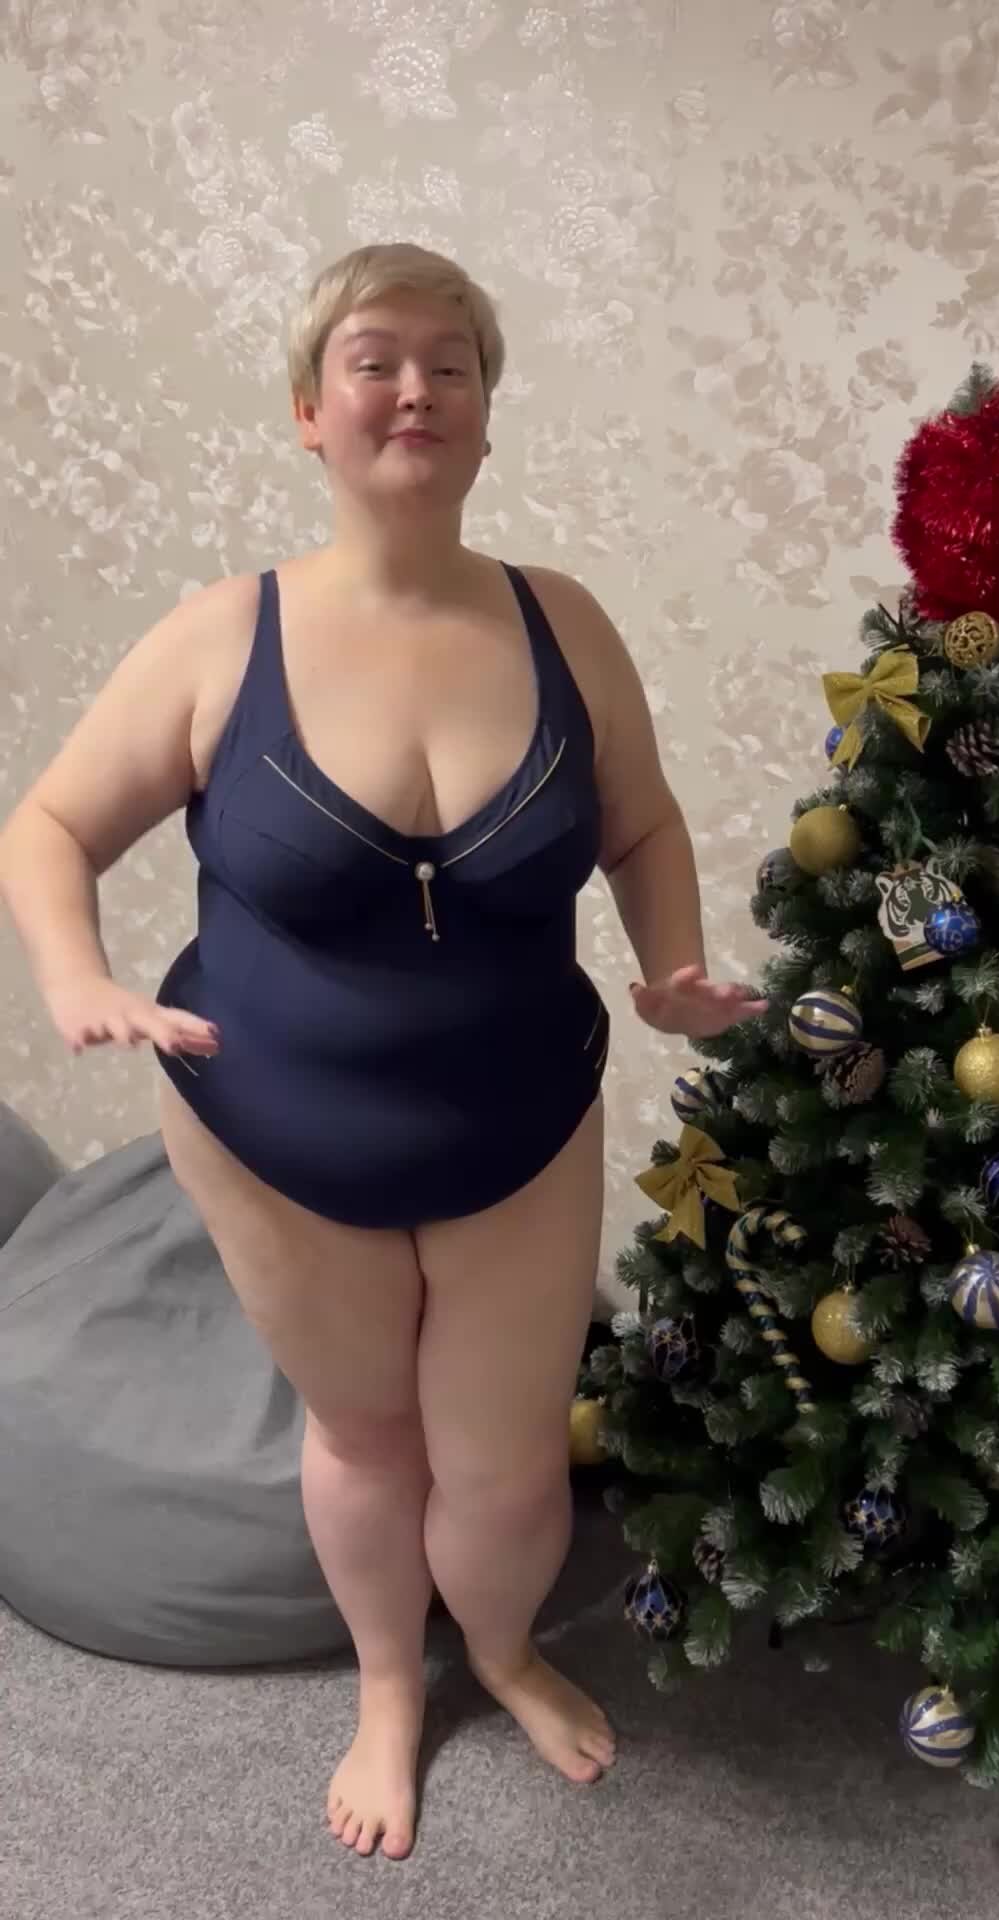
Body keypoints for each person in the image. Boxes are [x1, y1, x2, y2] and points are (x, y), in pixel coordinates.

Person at [0, 242, 765, 1860]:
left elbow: (641, 823)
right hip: (274, 1122)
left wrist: (672, 965)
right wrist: (76, 978)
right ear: (310, 410)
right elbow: (48, 824)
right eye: (374, 360)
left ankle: (500, 1650)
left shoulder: (563, 622)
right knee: (365, 1435)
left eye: (451, 364)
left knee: (504, 1467)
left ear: (486, 412)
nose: (415, 389)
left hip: (520, 1116)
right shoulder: (225, 634)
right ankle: (388, 1688)